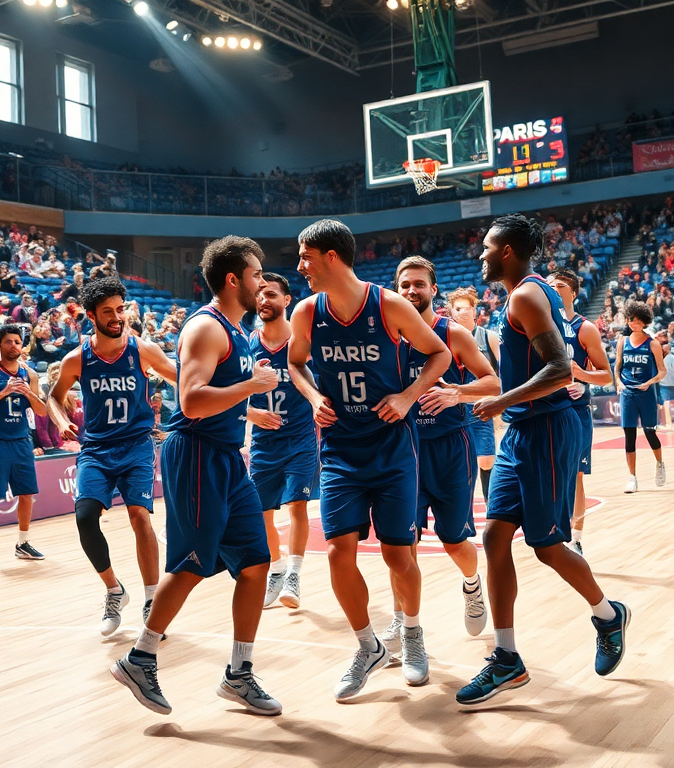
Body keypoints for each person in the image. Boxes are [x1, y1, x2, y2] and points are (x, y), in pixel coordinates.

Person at [455, 213, 629, 707]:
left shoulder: (529, 295)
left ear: (507, 251)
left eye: (488, 247)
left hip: (549, 429)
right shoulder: (523, 294)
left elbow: (558, 369)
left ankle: (608, 615)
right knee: (493, 536)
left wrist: (501, 401)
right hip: (523, 431)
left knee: (547, 546)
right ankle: (507, 658)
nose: (481, 254)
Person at [110, 236, 282, 717]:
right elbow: (191, 400)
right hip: (197, 456)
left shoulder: (237, 329)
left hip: (227, 457)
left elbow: (221, 393)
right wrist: (253, 385)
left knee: (255, 563)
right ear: (233, 279)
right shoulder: (206, 328)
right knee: (190, 563)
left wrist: (248, 404)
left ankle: (239, 673)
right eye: (255, 275)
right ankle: (140, 658)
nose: (261, 282)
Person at [286, 219, 451, 699]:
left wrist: (408, 396)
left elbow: (438, 355)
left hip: (392, 447)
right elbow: (296, 363)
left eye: (306, 257)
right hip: (339, 449)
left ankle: (413, 633)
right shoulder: (306, 313)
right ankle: (367, 646)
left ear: (332, 256)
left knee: (399, 555)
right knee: (339, 552)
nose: (301, 267)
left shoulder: (390, 305)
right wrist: (312, 395)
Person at [48, 277, 176, 638]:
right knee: (86, 517)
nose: (117, 316)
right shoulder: (77, 358)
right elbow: (54, 398)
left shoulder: (143, 350)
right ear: (91, 316)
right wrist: (60, 422)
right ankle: (114, 590)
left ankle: (152, 600)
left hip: (136, 444)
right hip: (96, 449)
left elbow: (182, 377)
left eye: (121, 309)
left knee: (139, 516)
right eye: (108, 312)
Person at [392, 256, 499, 644]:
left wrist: (458, 393)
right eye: (405, 285)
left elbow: (493, 383)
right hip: (403, 451)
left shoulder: (454, 333)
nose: (411, 291)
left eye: (419, 284)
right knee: (401, 543)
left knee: (454, 540)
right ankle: (402, 619)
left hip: (451, 448)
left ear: (433, 290)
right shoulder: (388, 336)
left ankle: (472, 583)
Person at [246, 273, 319, 611]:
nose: (264, 300)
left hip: (300, 438)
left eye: (271, 294)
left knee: (297, 506)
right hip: (264, 442)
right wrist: (251, 413)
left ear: (287, 300)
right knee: (261, 512)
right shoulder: (247, 344)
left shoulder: (305, 341)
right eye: (260, 294)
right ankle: (276, 568)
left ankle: (294, 573)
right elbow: (230, 395)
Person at [0, 325, 49, 570]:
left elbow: (42, 411)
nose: (14, 345)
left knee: (26, 495)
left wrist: (30, 395)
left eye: (17, 342)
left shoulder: (30, 374)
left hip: (22, 441)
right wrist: (3, 393)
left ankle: (23, 544)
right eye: (9, 342)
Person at [548, 269, 612, 554]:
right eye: (549, 285)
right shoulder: (539, 326)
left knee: (575, 475)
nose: (554, 288)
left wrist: (582, 377)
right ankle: (550, 529)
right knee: (549, 473)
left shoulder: (584, 328)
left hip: (575, 410)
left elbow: (606, 376)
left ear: (573, 292)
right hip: (545, 408)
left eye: (560, 285)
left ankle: (575, 539)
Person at [447, 287, 501, 499]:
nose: (462, 312)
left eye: (466, 308)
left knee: (487, 460)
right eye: (457, 308)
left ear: (475, 309)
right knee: (458, 465)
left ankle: (492, 508)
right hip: (453, 409)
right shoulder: (444, 339)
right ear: (451, 311)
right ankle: (460, 512)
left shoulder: (490, 338)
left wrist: (499, 399)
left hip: (481, 406)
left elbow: (503, 372)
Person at [613, 301, 668, 494]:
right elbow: (617, 366)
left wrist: (649, 382)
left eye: (636, 320)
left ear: (644, 321)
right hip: (627, 392)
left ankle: (660, 463)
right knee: (629, 435)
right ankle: (632, 477)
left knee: (649, 432)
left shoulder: (652, 343)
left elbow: (662, 371)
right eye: (630, 320)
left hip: (646, 393)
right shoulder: (622, 341)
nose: (632, 323)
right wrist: (618, 382)